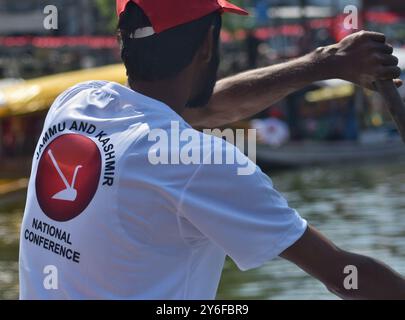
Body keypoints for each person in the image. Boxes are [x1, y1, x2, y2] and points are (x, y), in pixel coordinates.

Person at [19, 0, 405, 299]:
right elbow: (343, 275)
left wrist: (325, 64)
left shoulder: (74, 104)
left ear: (123, 41)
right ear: (207, 44)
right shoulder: (199, 162)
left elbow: (204, 108)